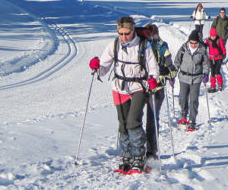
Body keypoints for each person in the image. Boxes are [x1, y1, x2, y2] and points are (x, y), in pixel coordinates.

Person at [89, 16, 159, 173]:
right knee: (123, 124)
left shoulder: (143, 45)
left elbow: (153, 68)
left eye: (126, 33)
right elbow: (104, 68)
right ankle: (127, 155)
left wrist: (153, 79)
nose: (123, 37)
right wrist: (96, 67)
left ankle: (139, 156)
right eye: (120, 33)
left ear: (133, 31)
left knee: (133, 122)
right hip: (119, 87)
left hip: (138, 87)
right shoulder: (114, 45)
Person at [144, 24, 177, 160]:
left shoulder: (163, 46)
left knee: (152, 119)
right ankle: (136, 147)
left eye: (154, 34)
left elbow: (172, 69)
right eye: (150, 35)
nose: (152, 37)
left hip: (157, 87)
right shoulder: (141, 45)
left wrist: (168, 72)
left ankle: (151, 150)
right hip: (141, 87)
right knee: (135, 118)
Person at [174, 30, 209, 130]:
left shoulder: (202, 50)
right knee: (183, 98)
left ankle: (192, 120)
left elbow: (206, 64)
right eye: (191, 43)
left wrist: (206, 73)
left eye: (195, 43)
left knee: (193, 100)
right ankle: (184, 116)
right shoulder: (184, 49)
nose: (193, 45)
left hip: (196, 78)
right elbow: (177, 61)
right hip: (184, 77)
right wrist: (173, 73)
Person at [206, 28, 226, 93]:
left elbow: (223, 47)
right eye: (212, 36)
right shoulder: (208, 41)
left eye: (214, 36)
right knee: (212, 72)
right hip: (211, 58)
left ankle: (220, 85)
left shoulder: (219, 40)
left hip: (218, 58)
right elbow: (205, 45)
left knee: (217, 71)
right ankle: (213, 86)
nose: (213, 37)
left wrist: (224, 54)